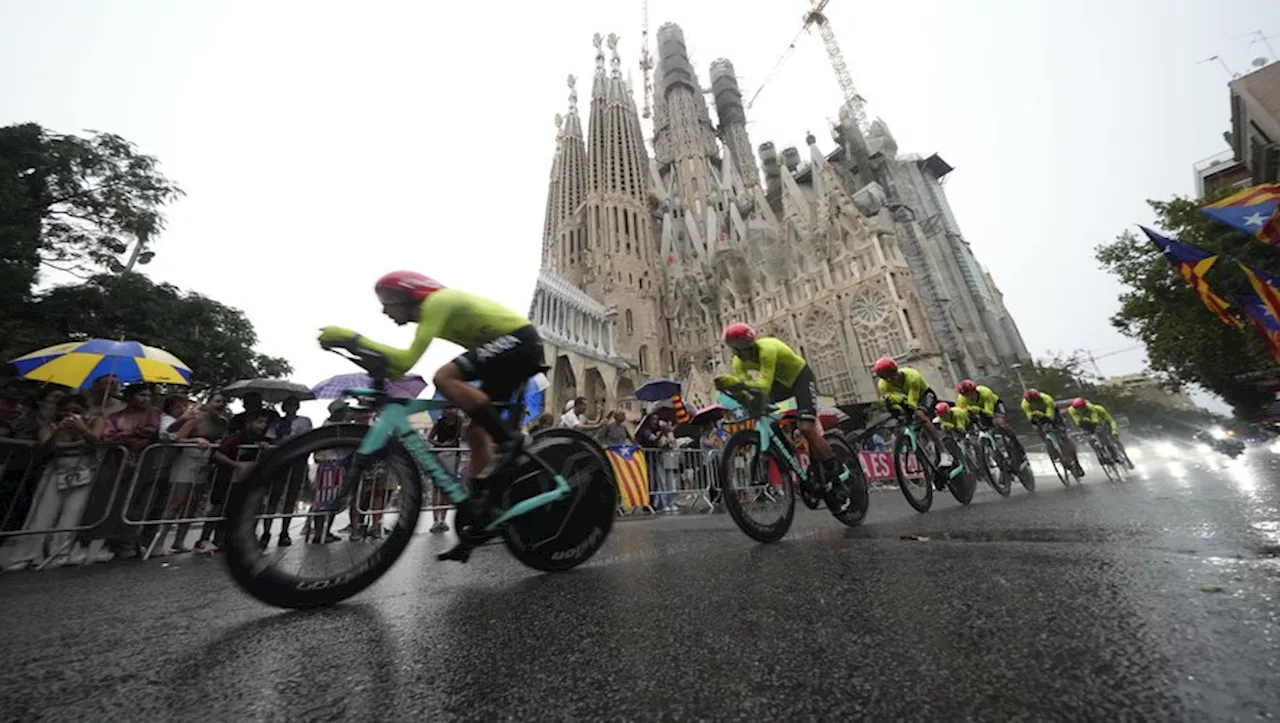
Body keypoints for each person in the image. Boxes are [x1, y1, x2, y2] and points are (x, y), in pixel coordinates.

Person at [318, 271, 545, 556]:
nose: (384, 309)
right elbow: (394, 367)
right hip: (504, 353)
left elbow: (403, 362)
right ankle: (483, 510)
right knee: (475, 433)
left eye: (388, 301)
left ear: (408, 296)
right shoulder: (428, 315)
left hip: (520, 340)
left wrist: (351, 338)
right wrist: (363, 355)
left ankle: (510, 440)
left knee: (445, 377)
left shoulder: (438, 302)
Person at [712, 323, 851, 500]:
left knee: (806, 428)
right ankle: (787, 450)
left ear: (750, 344)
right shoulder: (738, 362)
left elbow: (763, 385)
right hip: (778, 386)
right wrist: (731, 389)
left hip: (800, 379)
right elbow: (749, 391)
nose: (737, 353)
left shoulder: (767, 348)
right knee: (759, 409)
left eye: (739, 348)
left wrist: (736, 383)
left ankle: (835, 470)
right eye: (733, 348)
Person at [871, 356, 950, 465]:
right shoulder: (883, 385)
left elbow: (912, 402)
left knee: (918, 414)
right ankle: (925, 446)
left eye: (891, 376)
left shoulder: (912, 376)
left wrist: (906, 407)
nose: (889, 380)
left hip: (924, 395)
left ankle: (943, 450)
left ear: (896, 371)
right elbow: (891, 402)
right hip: (905, 399)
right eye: (885, 378)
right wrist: (895, 410)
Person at [955, 379, 1027, 468]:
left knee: (998, 422)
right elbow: (961, 414)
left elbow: (988, 412)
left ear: (975, 390)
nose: (969, 396)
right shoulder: (961, 399)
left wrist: (978, 410)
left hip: (994, 406)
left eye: (970, 393)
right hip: (978, 411)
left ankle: (1016, 443)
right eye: (965, 395)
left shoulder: (985, 392)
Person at [1021, 389, 1083, 476]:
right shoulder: (1025, 404)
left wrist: (1044, 416)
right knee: (1039, 430)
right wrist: (1035, 422)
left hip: (1053, 414)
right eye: (1032, 402)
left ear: (1039, 398)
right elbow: (1030, 417)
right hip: (1038, 417)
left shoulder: (1047, 399)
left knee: (1063, 436)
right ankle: (1051, 448)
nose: (1034, 403)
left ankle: (1076, 463)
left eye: (1036, 401)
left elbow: (1050, 416)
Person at [1067, 397, 1128, 465]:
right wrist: (1083, 422)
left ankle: (1116, 455)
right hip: (1085, 424)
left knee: (1104, 437)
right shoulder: (1071, 410)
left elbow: (1097, 420)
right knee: (1089, 439)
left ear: (1085, 406)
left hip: (1099, 422)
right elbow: (1077, 421)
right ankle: (1100, 455)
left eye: (1081, 408)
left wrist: (1114, 431)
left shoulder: (1093, 408)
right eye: (1077, 409)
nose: (1080, 410)